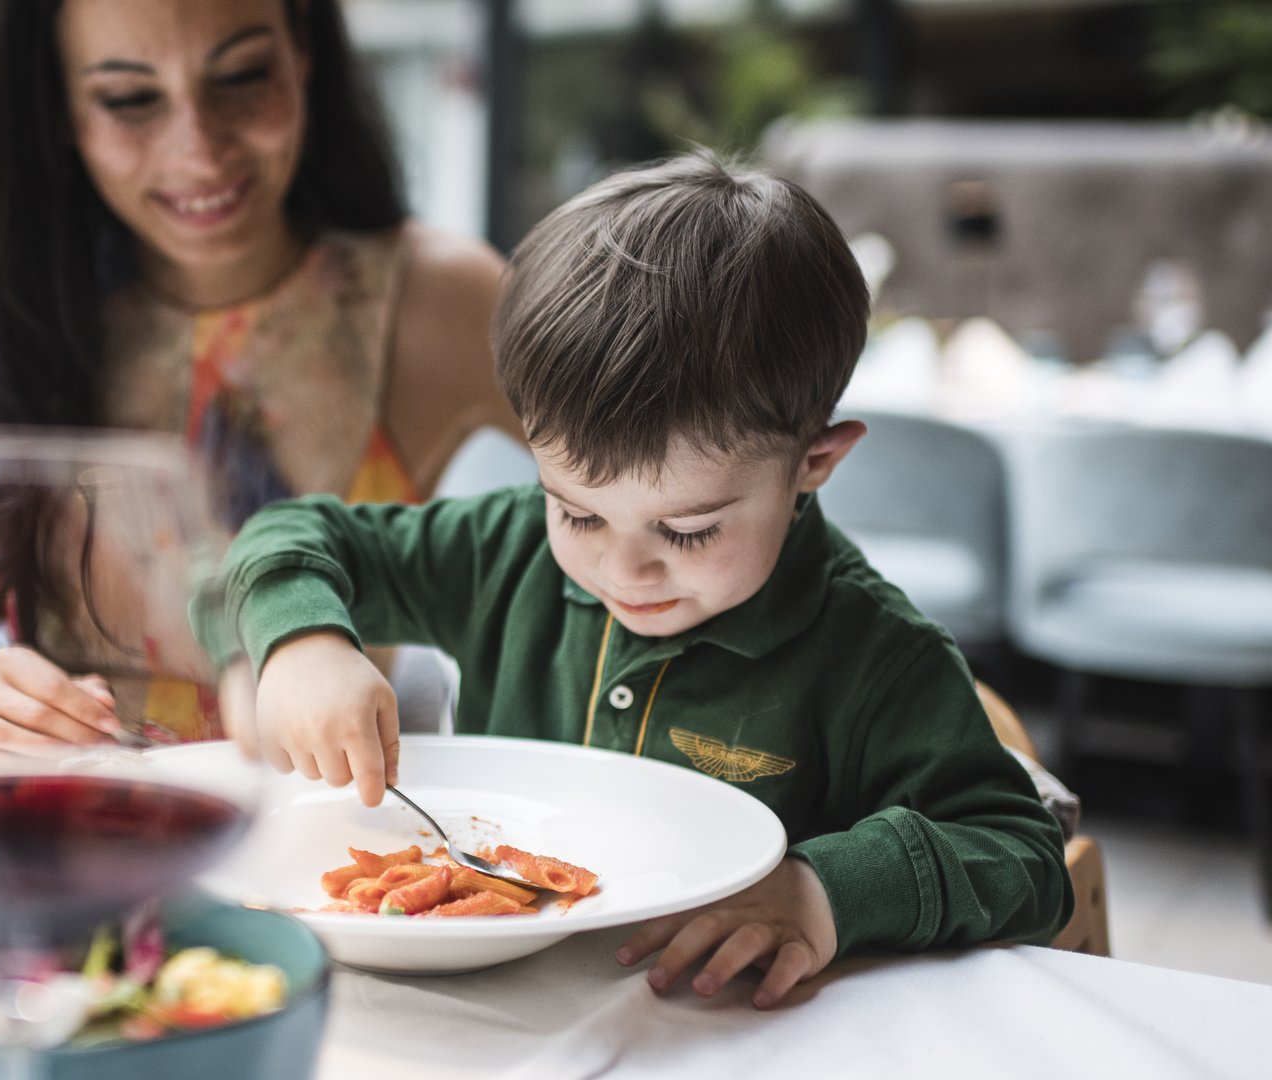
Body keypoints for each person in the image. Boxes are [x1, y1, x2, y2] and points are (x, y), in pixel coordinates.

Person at [207, 153, 1072, 1008]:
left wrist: (820, 894)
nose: (622, 567)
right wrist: (301, 639)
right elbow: (292, 533)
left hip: (730, 1031)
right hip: (504, 1010)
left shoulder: (875, 654)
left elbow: (1021, 854)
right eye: (578, 513)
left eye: (687, 530)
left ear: (814, 462)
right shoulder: (505, 549)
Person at [0, 0, 520, 753]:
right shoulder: (18, 291)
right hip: (71, 838)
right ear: (58, 108)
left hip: (326, 851)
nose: (197, 149)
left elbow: (670, 492)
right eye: (130, 98)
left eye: (241, 77)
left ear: (304, 57)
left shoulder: (436, 298)